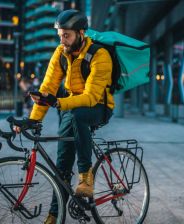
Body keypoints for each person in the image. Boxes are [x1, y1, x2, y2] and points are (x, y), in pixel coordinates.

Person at [14, 9, 114, 224]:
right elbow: (48, 86)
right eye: (60, 35)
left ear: (80, 33)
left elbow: (91, 96)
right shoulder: (61, 53)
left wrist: (58, 102)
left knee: (78, 115)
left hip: (98, 106)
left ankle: (86, 177)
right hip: (72, 107)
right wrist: (33, 119)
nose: (62, 40)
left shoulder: (99, 54)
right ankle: (54, 215)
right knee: (61, 167)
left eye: (66, 35)